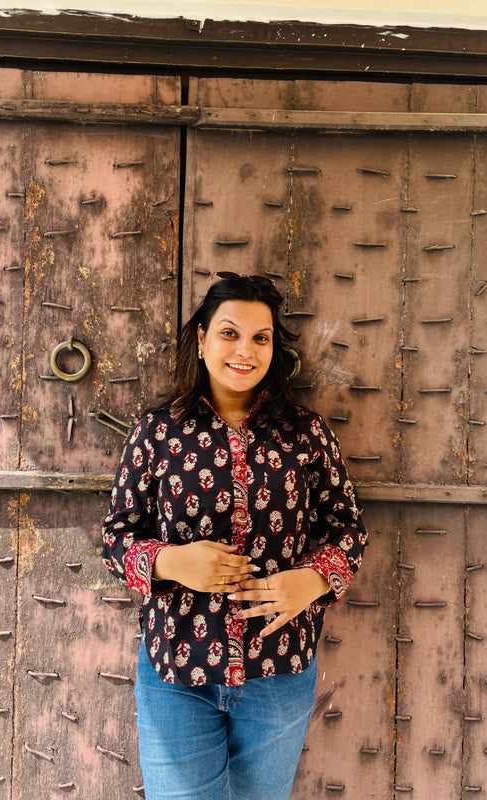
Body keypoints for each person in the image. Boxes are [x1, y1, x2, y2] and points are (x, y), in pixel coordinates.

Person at [102, 272, 368, 800]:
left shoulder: (306, 433)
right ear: (201, 341)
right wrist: (173, 563)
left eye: (260, 337)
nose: (244, 350)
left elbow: (348, 531)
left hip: (280, 669)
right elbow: (116, 538)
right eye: (229, 333)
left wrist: (312, 580)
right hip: (177, 667)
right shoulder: (159, 432)